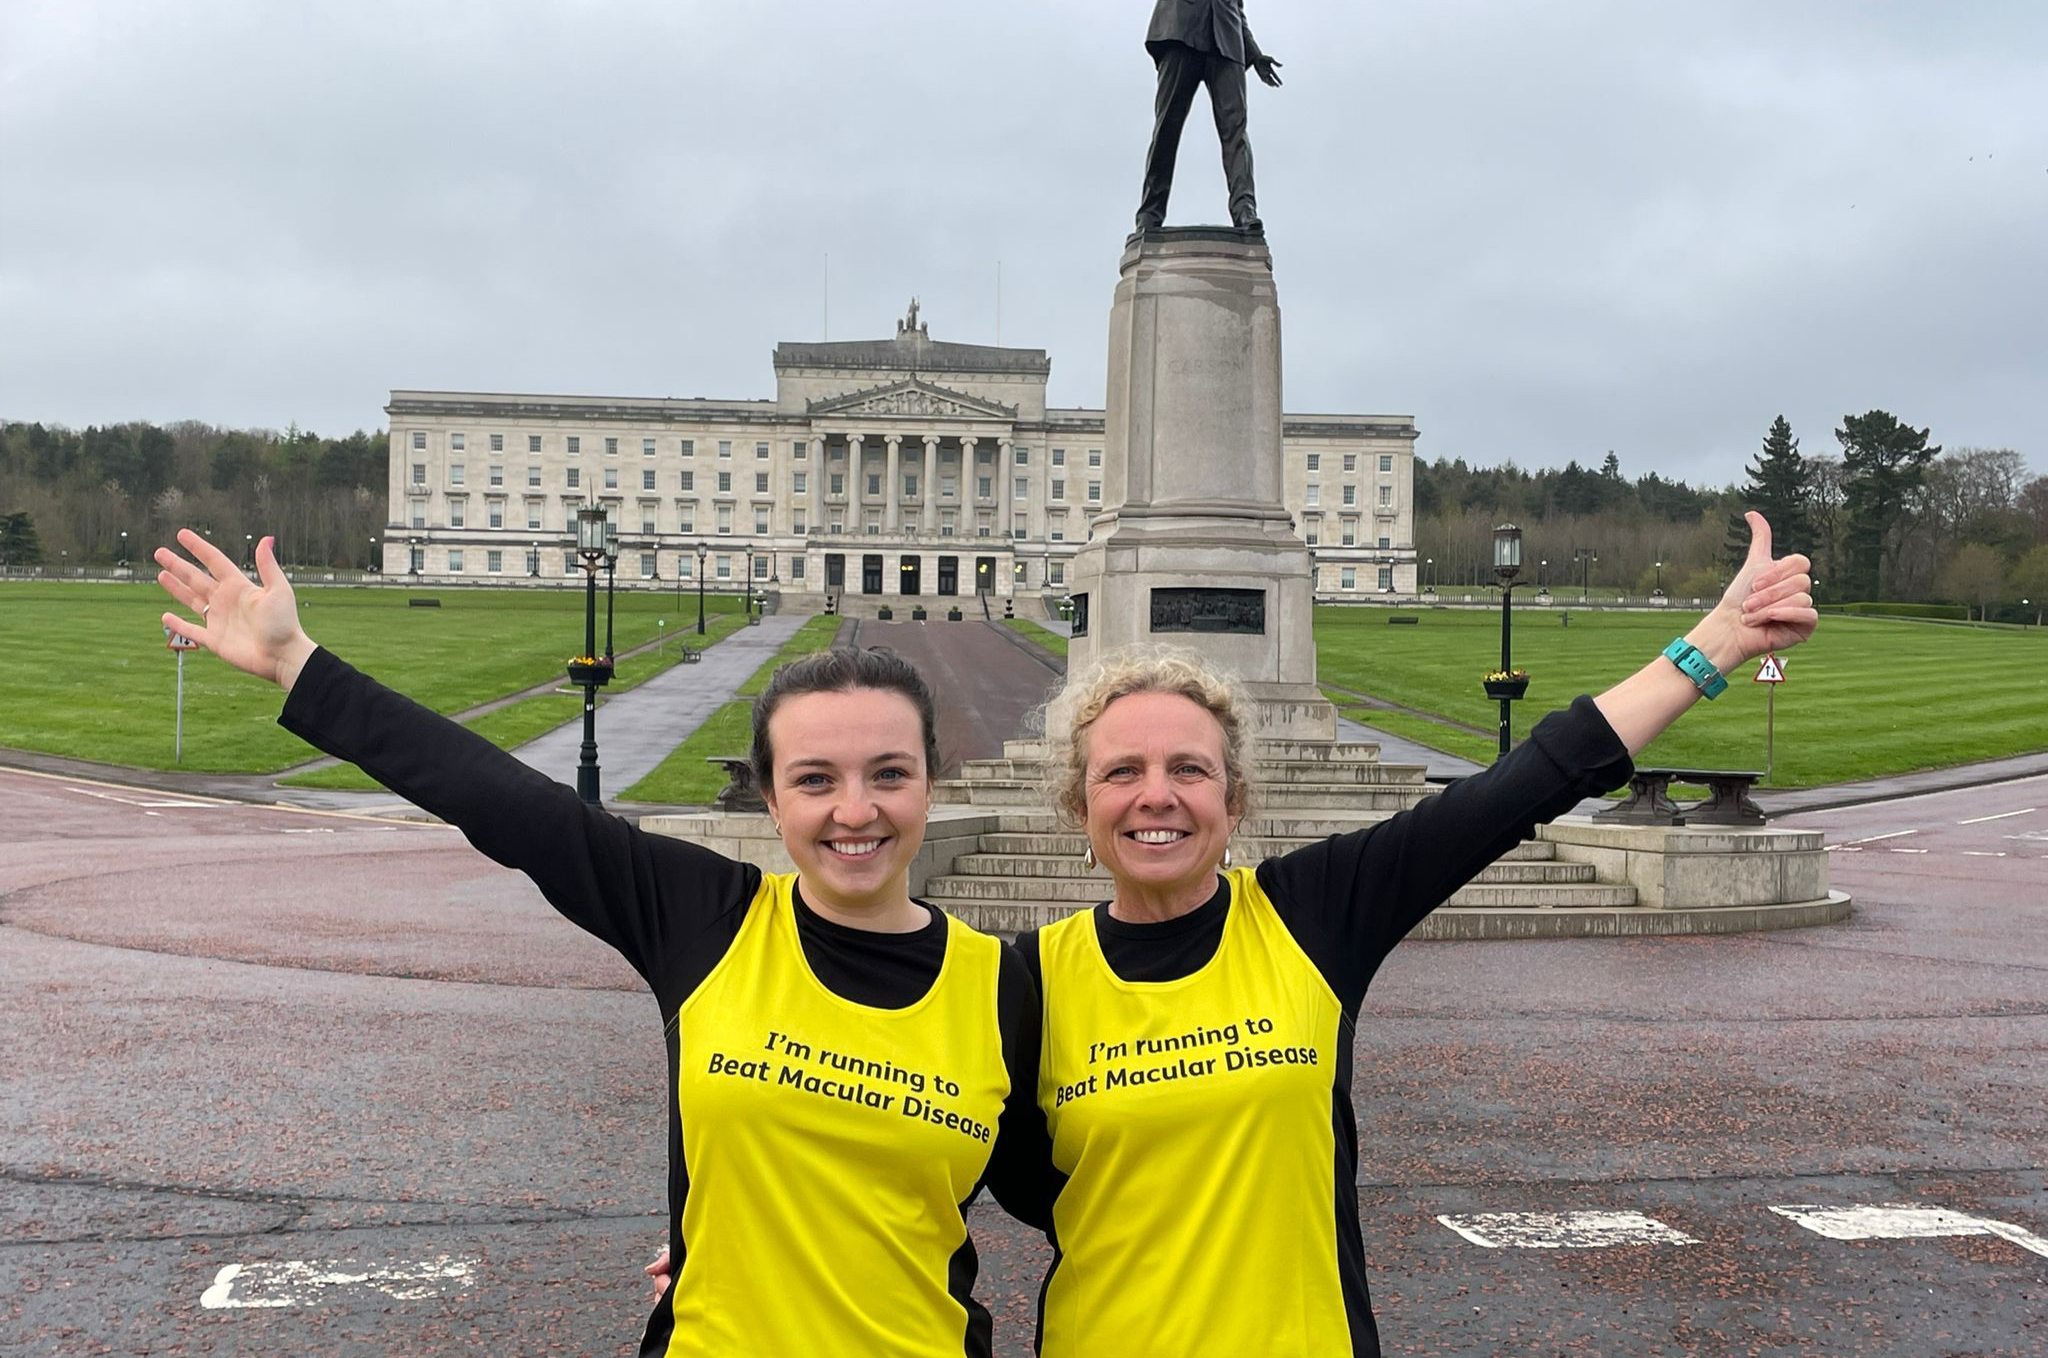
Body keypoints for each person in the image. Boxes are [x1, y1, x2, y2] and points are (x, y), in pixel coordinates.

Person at [152, 528, 1050, 1358]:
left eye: (888, 774)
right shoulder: (705, 917)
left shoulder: (1001, 985)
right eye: (815, 780)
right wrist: (296, 663)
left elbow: (1082, 1197)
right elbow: (504, 802)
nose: (855, 810)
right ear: (771, 799)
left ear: (930, 783)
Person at [1021, 514, 1816, 1357]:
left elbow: (1528, 782)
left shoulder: (1312, 913)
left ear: (1234, 800)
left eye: (1190, 768)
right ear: (1079, 803)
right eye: (1122, 772)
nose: (1157, 795)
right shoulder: (1026, 982)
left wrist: (1717, 641)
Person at [1137, 0, 1284, 234]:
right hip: (1181, 30)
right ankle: (1150, 213)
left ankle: (1245, 209)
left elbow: (1235, 7)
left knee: (1236, 132)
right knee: (1167, 129)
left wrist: (1254, 53)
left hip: (1226, 43)